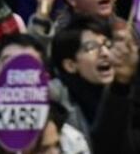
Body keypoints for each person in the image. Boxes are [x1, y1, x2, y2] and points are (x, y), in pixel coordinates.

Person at [50, 15, 117, 144]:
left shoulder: (125, 92)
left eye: (107, 44)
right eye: (91, 47)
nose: (105, 52)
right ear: (70, 65)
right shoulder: (55, 98)